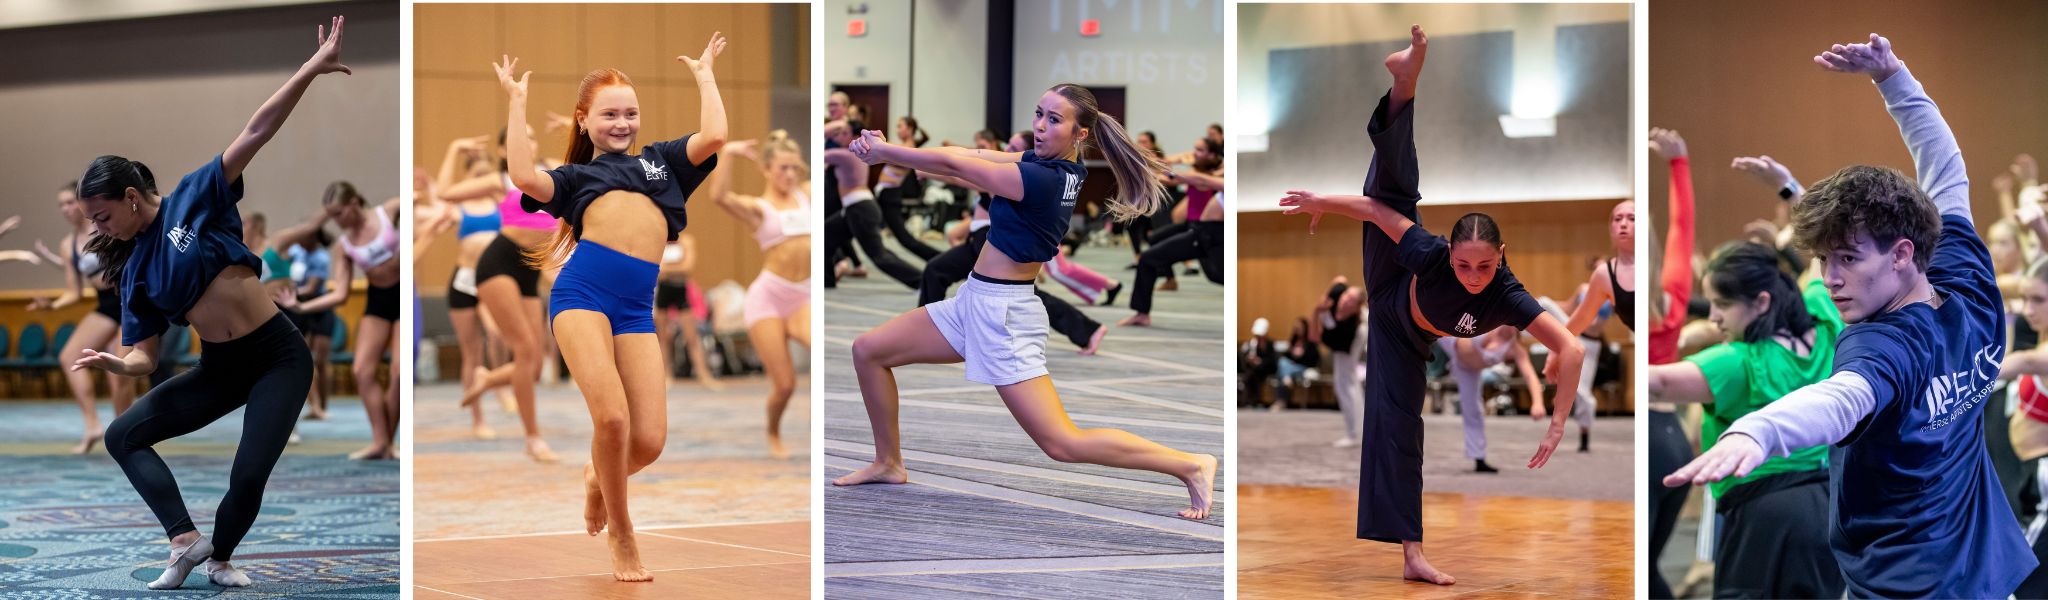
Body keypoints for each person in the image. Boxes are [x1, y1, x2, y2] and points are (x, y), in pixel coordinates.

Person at [1663, 34, 2036, 597]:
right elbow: (1945, 169)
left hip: (1907, 582)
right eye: (1822, 260)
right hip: (1986, 569)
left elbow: (1841, 400)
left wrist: (1760, 430)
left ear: (1903, 253)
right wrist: (1893, 77)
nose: (1830, 277)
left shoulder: (1880, 346)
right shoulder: (1966, 277)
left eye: (1848, 260)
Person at [1276, 26, 1584, 585]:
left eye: (1483, 267)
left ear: (1501, 258)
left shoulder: (1508, 294)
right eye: (1464, 264)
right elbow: (1374, 210)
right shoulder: (1433, 254)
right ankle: (1406, 82)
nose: (1471, 277)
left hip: (1406, 339)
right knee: (1397, 192)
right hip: (1393, 286)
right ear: (1451, 253)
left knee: (1400, 428)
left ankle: (1411, 555)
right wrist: (1320, 200)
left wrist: (1558, 419)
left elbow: (1572, 345)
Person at [830, 83, 1217, 522]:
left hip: (1005, 316)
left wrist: (891, 153)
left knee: (1062, 444)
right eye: (1038, 113)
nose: (1039, 125)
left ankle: (1189, 464)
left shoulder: (1041, 180)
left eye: (1054, 119)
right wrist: (900, 154)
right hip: (972, 301)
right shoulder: (1052, 166)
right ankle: (888, 463)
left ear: (1080, 134)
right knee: (868, 350)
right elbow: (970, 157)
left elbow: (956, 164)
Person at [76, 15, 345, 590]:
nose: (100, 229)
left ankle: (220, 557)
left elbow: (256, 130)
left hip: (278, 356)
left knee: (248, 474)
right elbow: (145, 355)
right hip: (219, 369)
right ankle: (183, 541)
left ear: (129, 197)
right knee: (122, 435)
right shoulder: (132, 267)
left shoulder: (194, 198)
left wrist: (310, 70)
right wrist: (118, 365)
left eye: (102, 217)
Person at [493, 30, 727, 582]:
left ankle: (599, 477)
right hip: (581, 297)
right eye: (608, 115)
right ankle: (623, 536)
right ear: (582, 120)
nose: (621, 124)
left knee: (648, 440)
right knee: (613, 418)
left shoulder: (665, 163)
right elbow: (524, 177)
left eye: (629, 113)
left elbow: (716, 133)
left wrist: (704, 74)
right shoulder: (577, 177)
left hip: (635, 310)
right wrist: (516, 101)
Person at [1648, 242, 1843, 598]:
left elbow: (1657, 384)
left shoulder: (1739, 362)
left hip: (1763, 516)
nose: (1713, 317)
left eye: (1722, 305)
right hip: (1828, 508)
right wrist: (1786, 216)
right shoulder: (1825, 325)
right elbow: (1823, 255)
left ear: (1762, 302)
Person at [276, 182, 401, 460]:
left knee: (398, 372)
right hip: (378, 300)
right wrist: (301, 305)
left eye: (340, 213)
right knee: (362, 371)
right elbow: (340, 294)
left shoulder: (388, 212)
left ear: (355, 202)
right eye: (331, 215)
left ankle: (390, 442)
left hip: (404, 295)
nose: (336, 221)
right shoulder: (344, 245)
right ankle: (380, 441)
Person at [707, 130, 811, 458]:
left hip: (803, 296)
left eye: (795, 167)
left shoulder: (808, 194)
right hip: (768, 298)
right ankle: (773, 433)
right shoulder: (759, 209)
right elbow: (719, 196)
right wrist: (729, 153)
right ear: (766, 170)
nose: (790, 174)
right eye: (783, 168)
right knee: (785, 384)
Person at [29, 181, 136, 454]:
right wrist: (51, 306)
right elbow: (75, 292)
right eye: (61, 204)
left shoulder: (105, 227)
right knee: (69, 356)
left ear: (83, 202)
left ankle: (124, 433)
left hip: (130, 299)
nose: (65, 209)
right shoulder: (68, 245)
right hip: (106, 304)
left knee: (119, 369)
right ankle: (92, 425)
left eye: (69, 202)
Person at [1441, 325, 1541, 473]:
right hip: (1451, 339)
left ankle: (1478, 458)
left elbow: (1530, 376)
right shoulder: (1488, 324)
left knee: (1474, 411)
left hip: (1468, 370)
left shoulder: (1514, 349)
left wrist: (1537, 402)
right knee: (1431, 319)